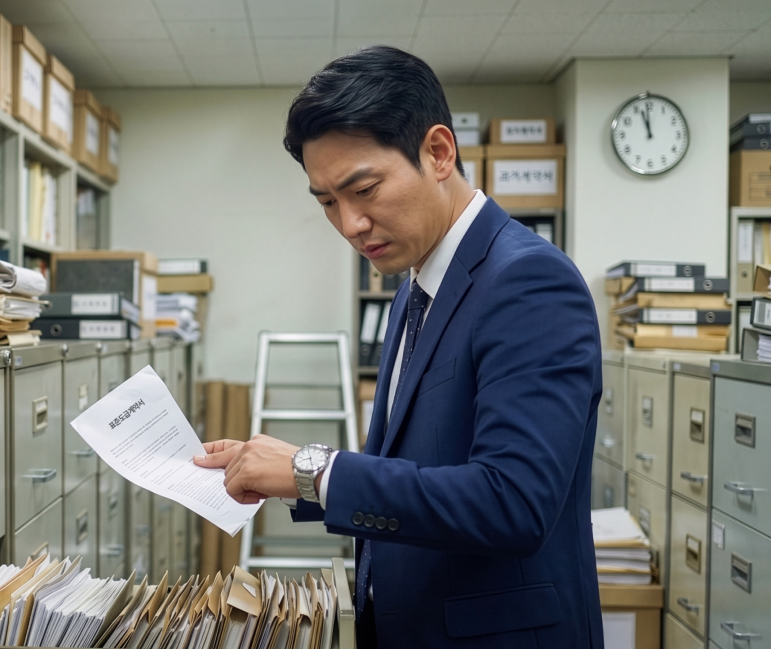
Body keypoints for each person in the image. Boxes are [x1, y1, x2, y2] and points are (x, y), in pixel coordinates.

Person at [193, 45, 604, 649]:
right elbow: (420, 468)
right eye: (328, 202)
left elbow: (514, 500)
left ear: (438, 152)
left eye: (364, 189)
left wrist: (314, 472)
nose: (350, 224)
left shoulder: (527, 280)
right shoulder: (414, 287)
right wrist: (285, 473)